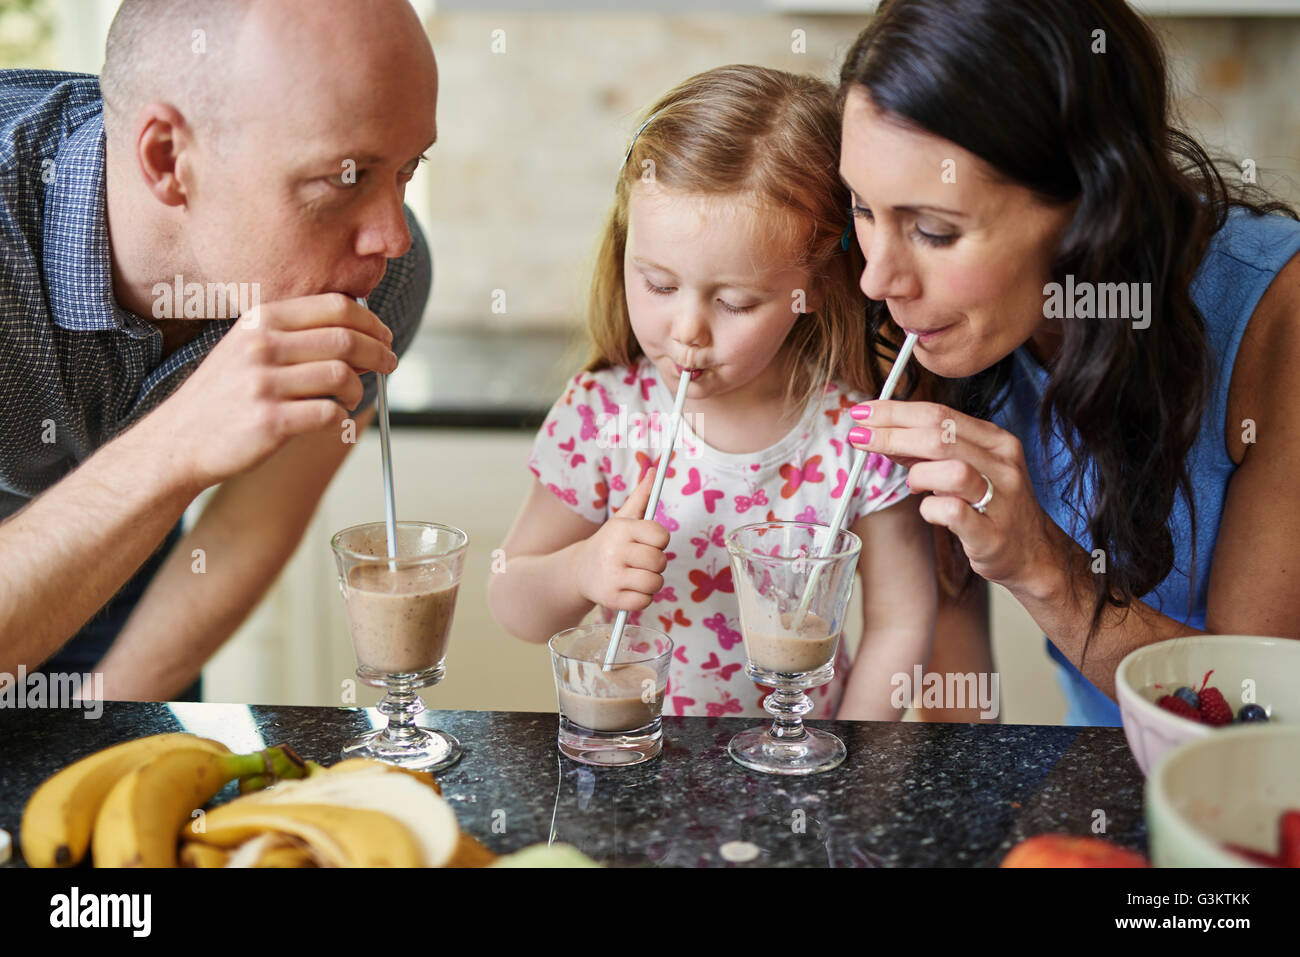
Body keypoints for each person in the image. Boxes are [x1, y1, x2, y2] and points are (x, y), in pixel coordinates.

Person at [838, 0, 1300, 724]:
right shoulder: (924, 327)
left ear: (1092, 207)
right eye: (862, 207)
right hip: (1097, 774)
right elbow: (951, 652)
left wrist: (1041, 565)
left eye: (933, 228)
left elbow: (1259, 715)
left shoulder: (1277, 317)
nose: (879, 278)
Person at [0, 0, 437, 701]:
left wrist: (107, 734)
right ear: (168, 159)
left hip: (130, 561)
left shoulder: (374, 281)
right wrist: (177, 443)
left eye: (407, 169)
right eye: (347, 177)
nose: (392, 238)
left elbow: (246, 527)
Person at [489, 65, 936, 721]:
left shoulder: (857, 437)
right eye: (659, 284)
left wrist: (851, 771)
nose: (687, 330)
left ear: (811, 286)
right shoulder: (602, 416)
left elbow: (902, 622)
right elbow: (511, 599)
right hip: (635, 771)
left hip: (792, 789)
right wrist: (582, 570)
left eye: (735, 301)